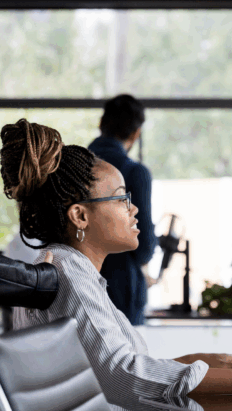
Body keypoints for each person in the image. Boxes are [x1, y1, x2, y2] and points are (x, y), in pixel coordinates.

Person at [1, 119, 232, 411]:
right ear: (80, 216)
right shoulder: (69, 278)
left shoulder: (70, 270)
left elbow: (109, 369)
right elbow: (124, 375)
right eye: (121, 198)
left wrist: (196, 364)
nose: (134, 209)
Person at [88, 94, 156, 325]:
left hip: (78, 284)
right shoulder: (134, 173)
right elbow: (144, 246)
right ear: (136, 133)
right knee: (128, 360)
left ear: (101, 124)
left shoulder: (73, 165)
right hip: (121, 290)